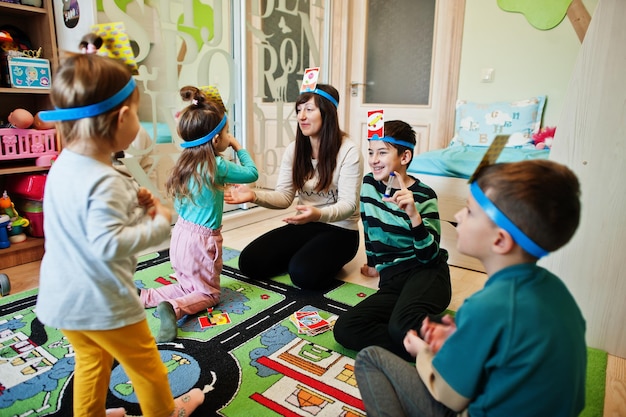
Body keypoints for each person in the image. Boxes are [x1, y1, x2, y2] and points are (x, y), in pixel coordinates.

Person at [35, 53, 204, 417]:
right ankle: (166, 412)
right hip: (102, 303)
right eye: (138, 114)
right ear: (124, 117)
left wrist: (133, 204)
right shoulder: (105, 180)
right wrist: (158, 223)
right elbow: (107, 243)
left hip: (62, 297)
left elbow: (82, 225)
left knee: (91, 359)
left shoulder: (63, 165)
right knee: (145, 364)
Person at [354, 159, 586, 417]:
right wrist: (460, 339)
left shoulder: (486, 306)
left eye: (470, 211)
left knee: (369, 358)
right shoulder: (559, 292)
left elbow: (448, 394)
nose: (457, 216)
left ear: (500, 240)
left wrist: (425, 352)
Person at [139, 85, 259, 343]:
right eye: (227, 132)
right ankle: (174, 308)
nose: (229, 136)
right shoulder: (217, 165)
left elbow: (181, 206)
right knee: (208, 294)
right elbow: (252, 173)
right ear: (216, 139)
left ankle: (144, 298)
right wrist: (238, 147)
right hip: (203, 241)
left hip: (180, 235)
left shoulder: (184, 162)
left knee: (187, 286)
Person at [224, 84, 363, 290]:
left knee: (302, 275)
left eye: (309, 109)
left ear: (328, 112)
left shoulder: (349, 151)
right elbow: (284, 197)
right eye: (298, 110)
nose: (301, 116)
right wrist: (253, 195)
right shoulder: (295, 149)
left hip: (341, 230)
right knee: (249, 262)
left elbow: (349, 204)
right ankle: (305, 257)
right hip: (306, 224)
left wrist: (317, 214)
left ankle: (320, 260)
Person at [333, 120, 451, 360]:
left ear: (405, 156)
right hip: (393, 280)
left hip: (427, 274)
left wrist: (413, 216)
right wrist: (374, 264)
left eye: (382, 152)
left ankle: (453, 342)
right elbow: (369, 226)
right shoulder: (369, 184)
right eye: (371, 152)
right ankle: (419, 346)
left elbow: (429, 256)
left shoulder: (424, 195)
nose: (374, 159)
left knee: (400, 325)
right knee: (345, 328)